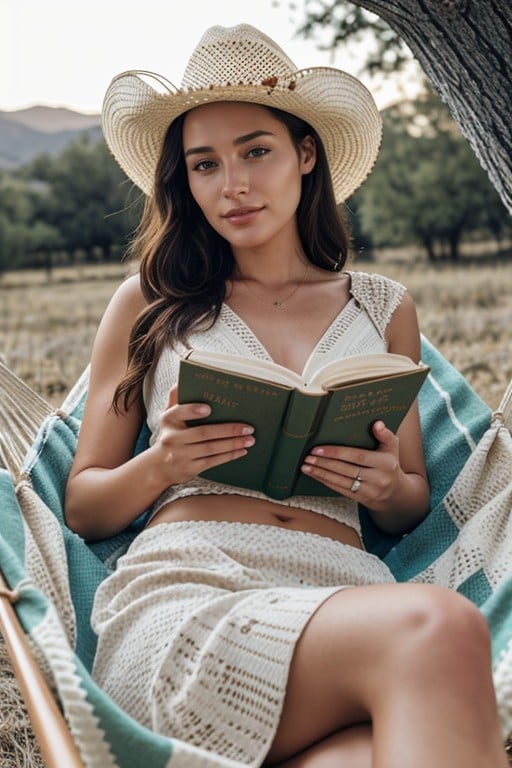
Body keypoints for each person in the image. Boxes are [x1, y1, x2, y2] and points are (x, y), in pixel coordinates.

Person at [64, 23, 508, 768]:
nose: (231, 184)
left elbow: (405, 502)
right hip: (191, 595)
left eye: (255, 152)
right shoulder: (151, 299)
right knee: (445, 631)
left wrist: (381, 482)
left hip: (348, 598)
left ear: (306, 155)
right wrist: (162, 465)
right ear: (186, 182)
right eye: (204, 165)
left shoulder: (382, 307)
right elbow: (82, 502)